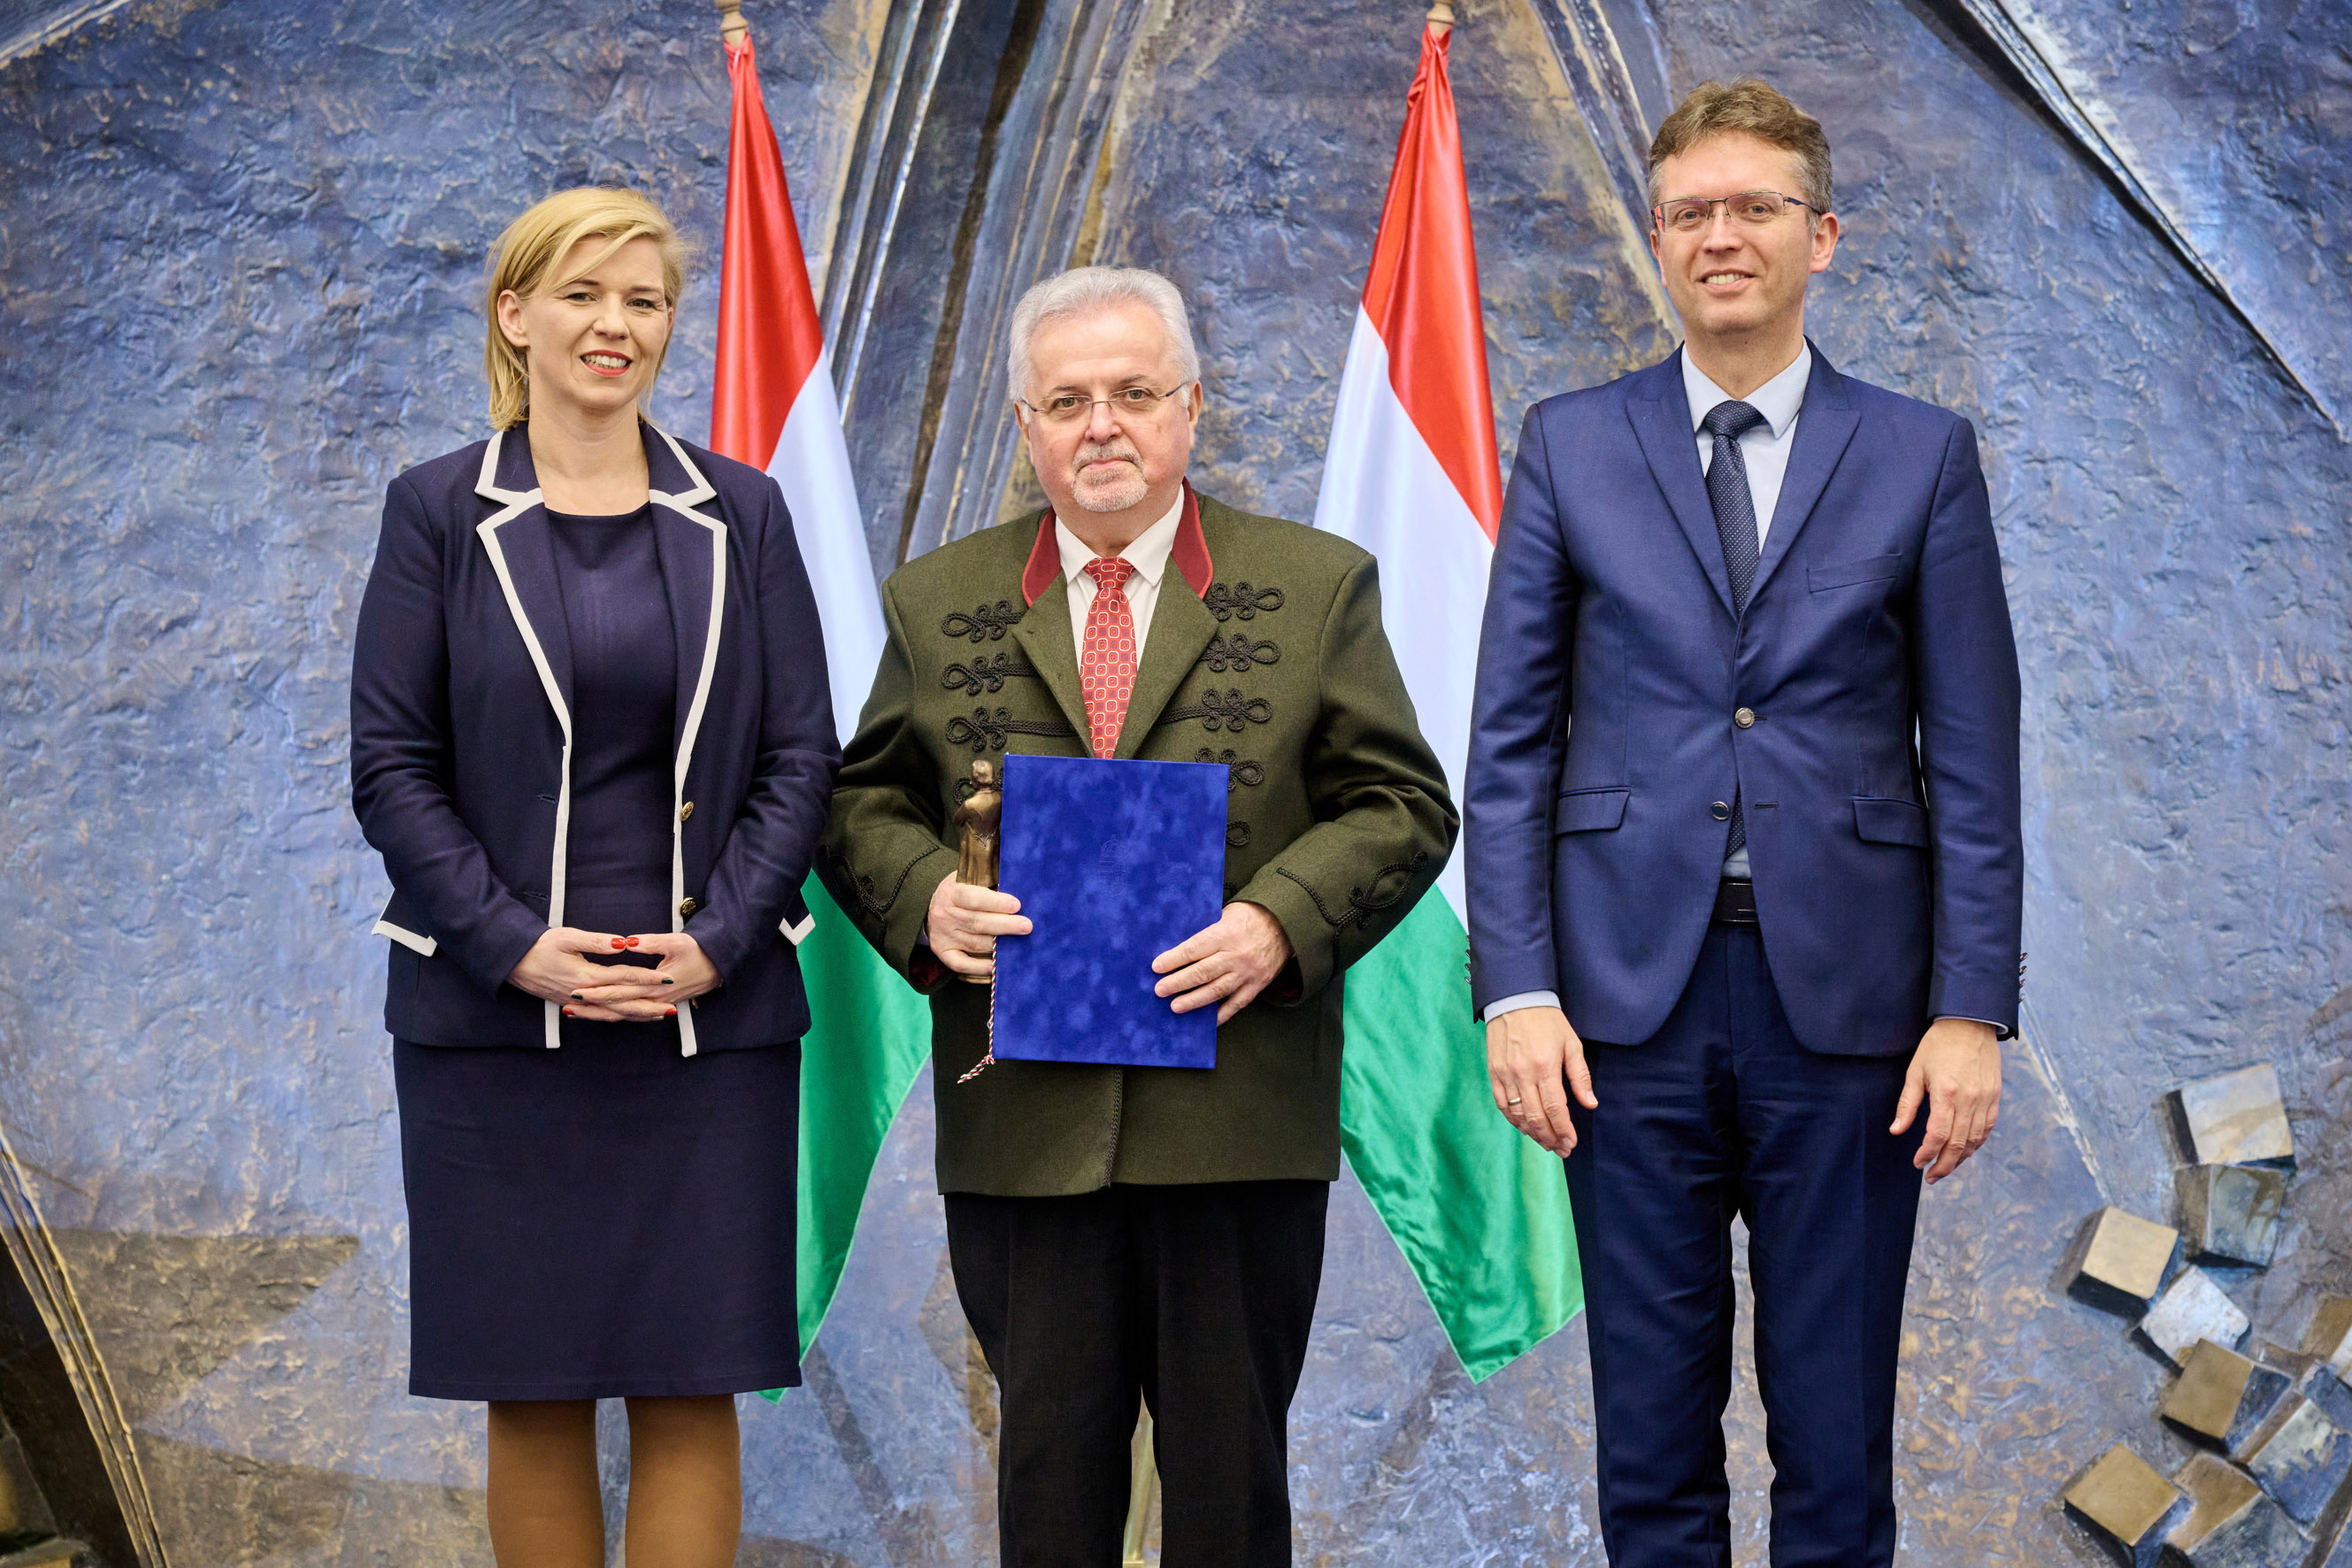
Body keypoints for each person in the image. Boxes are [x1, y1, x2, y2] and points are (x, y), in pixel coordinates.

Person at [1465, 80, 2022, 1567]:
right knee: (1649, 1444)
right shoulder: (1569, 444)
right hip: (1617, 1010)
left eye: (1756, 207)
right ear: (1656, 240)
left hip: (1849, 1014)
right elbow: (1510, 745)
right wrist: (1513, 987)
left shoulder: (1919, 452)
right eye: (1691, 212)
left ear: (1820, 236)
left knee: (1833, 1444)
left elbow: (1971, 754)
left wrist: (1970, 1011)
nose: (1722, 235)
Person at [820, 265, 1455, 1567]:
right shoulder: (936, 602)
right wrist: (925, 897)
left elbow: (1401, 806)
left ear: (1190, 409)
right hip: (1024, 1128)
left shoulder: (1315, 584)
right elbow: (856, 804)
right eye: (1066, 400)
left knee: (1228, 1496)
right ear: (1025, 426)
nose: (1099, 424)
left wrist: (1279, 920)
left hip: (1234, 1116)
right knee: (1049, 1488)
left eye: (1131, 392)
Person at [349, 187, 839, 1568]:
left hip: (709, 1020)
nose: (613, 324)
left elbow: (803, 756)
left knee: (693, 1379)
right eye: (582, 293)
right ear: (516, 316)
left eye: (644, 299)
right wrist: (512, 943)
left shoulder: (739, 511)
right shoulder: (438, 512)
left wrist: (725, 938)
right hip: (496, 1025)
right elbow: (391, 766)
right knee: (534, 1381)